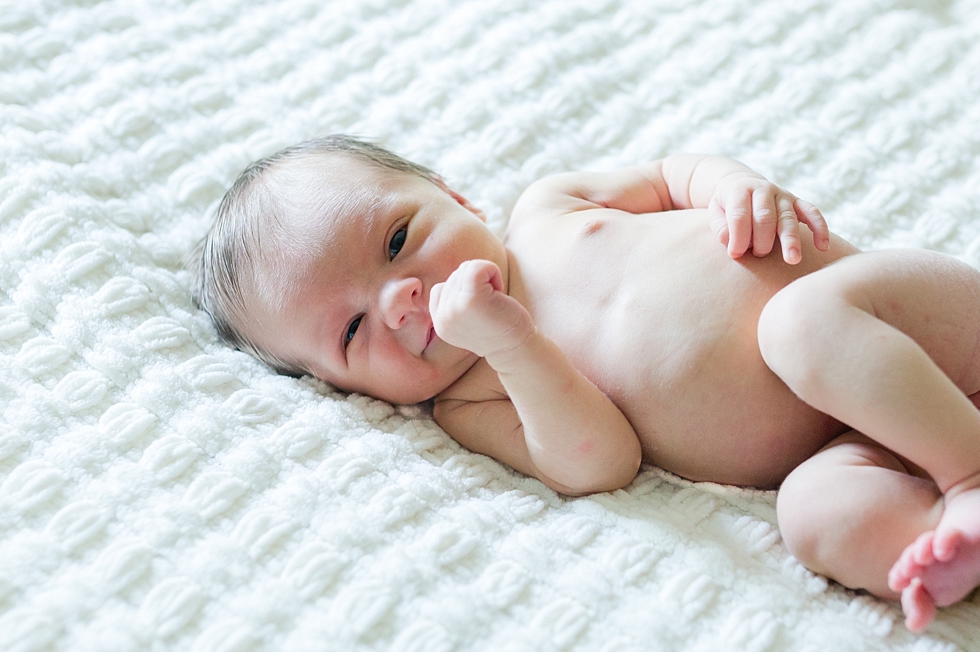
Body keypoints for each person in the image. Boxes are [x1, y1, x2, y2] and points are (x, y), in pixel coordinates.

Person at [193, 134, 980, 632]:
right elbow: (600, 461)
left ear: (454, 195)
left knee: (797, 327)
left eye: (398, 238)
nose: (399, 300)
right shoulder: (475, 401)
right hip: (854, 439)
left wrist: (736, 188)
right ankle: (949, 539)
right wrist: (513, 343)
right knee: (819, 519)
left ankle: (968, 471)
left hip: (900, 322)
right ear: (340, 387)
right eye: (353, 331)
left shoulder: (547, 211)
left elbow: (676, 173)